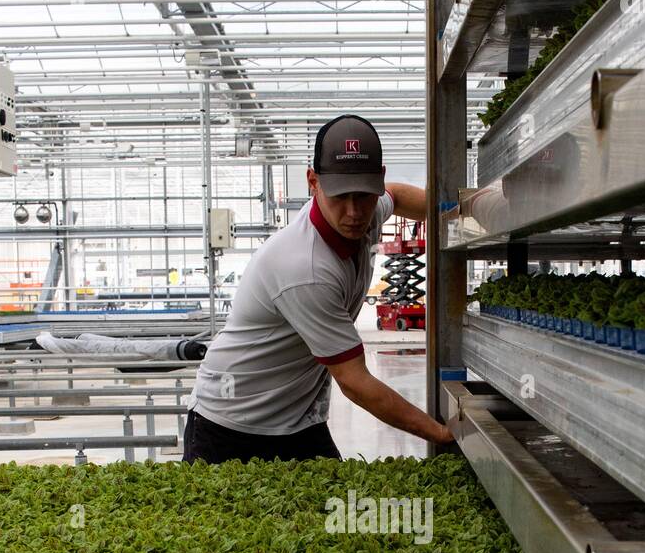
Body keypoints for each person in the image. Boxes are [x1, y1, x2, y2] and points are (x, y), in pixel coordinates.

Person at [182, 114, 454, 463]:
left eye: (364, 194)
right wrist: (441, 433)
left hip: (297, 420)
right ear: (313, 181)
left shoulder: (367, 210)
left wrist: (455, 213)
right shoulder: (304, 268)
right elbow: (355, 381)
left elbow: (398, 196)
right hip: (230, 427)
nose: (354, 212)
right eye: (340, 195)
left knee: (334, 511)